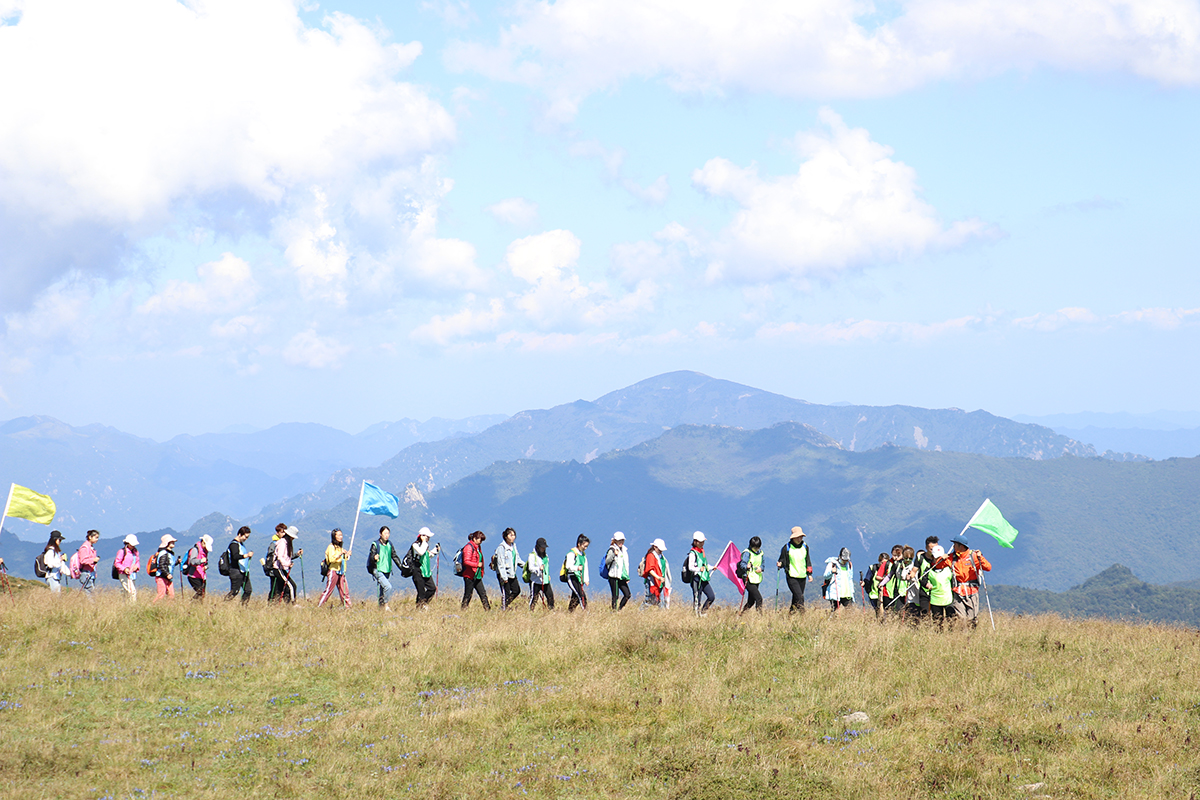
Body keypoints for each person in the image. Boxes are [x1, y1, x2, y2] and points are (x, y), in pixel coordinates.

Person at [948, 534, 992, 628]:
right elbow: (938, 565)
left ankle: (971, 637)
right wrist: (941, 558)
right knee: (961, 618)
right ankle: (963, 637)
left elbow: (988, 567)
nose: (953, 546)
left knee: (971, 618)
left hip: (972, 591)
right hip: (957, 591)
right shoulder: (952, 557)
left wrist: (981, 558)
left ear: (961, 546)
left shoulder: (974, 556)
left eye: (955, 544)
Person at [777, 527, 812, 614]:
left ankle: (790, 615)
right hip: (791, 576)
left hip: (802, 576)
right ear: (793, 537)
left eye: (801, 537)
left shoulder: (805, 546)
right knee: (800, 597)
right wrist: (780, 564)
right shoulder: (787, 548)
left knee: (796, 598)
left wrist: (809, 574)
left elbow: (807, 560)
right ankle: (803, 617)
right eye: (797, 537)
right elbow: (782, 559)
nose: (799, 539)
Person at [315, 528, 352, 608]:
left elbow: (343, 559)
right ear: (334, 536)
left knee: (344, 591)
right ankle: (320, 605)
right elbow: (331, 559)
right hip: (333, 570)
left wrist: (347, 555)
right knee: (329, 590)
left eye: (341, 535)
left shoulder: (339, 547)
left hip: (341, 571)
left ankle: (348, 607)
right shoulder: (331, 547)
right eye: (338, 535)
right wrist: (340, 554)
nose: (340, 537)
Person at [367, 525, 401, 610]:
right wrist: (374, 558)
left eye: (388, 533)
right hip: (377, 569)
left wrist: (402, 567)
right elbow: (371, 557)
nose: (386, 535)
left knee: (382, 590)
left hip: (387, 570)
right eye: (385, 533)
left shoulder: (389, 544)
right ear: (380, 534)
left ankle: (381, 609)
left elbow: (394, 556)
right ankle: (386, 606)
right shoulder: (375, 544)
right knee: (388, 587)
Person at [922, 544, 955, 629]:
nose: (938, 559)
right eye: (937, 557)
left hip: (948, 598)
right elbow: (922, 579)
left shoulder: (949, 568)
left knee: (951, 620)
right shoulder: (929, 569)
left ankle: (952, 636)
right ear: (932, 557)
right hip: (935, 599)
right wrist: (926, 584)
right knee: (937, 621)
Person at [494, 527, 524, 610]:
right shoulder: (501, 547)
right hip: (504, 574)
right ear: (506, 536)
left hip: (512, 573)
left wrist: (526, 567)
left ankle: (505, 606)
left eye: (514, 535)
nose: (513, 537)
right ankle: (503, 609)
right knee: (506, 593)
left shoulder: (513, 546)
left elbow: (517, 559)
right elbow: (501, 563)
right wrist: (504, 577)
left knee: (516, 590)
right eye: (511, 535)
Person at [685, 532, 715, 615]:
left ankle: (703, 612)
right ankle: (696, 615)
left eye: (703, 542)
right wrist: (698, 569)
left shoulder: (702, 551)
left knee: (711, 596)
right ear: (695, 542)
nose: (702, 543)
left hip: (704, 578)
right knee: (697, 599)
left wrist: (712, 567)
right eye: (701, 542)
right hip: (696, 579)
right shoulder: (692, 553)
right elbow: (690, 567)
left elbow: (704, 564)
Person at [460, 531, 490, 610]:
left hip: (477, 574)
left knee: (482, 593)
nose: (481, 541)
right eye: (480, 539)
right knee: (468, 594)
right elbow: (466, 561)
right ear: (474, 538)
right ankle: (463, 609)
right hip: (469, 575)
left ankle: (488, 609)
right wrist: (477, 564)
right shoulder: (469, 547)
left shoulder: (477, 547)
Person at [411, 526, 439, 609]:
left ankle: (423, 604)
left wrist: (435, 551)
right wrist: (424, 542)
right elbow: (421, 552)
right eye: (427, 536)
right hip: (417, 570)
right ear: (422, 536)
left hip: (426, 570)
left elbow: (427, 556)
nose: (428, 538)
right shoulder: (415, 545)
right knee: (421, 591)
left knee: (432, 588)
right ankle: (419, 607)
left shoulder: (425, 545)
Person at [913, 536, 940, 622]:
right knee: (925, 613)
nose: (933, 551)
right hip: (924, 589)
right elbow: (914, 571)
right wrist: (910, 576)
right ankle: (926, 629)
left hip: (937, 589)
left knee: (937, 615)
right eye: (931, 549)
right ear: (926, 548)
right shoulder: (920, 558)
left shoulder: (940, 558)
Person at [272, 527, 301, 605]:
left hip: (281, 568)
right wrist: (287, 564)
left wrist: (288, 563)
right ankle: (293, 604)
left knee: (281, 588)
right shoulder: (282, 543)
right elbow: (280, 557)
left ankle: (281, 605)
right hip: (278, 568)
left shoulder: (286, 543)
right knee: (292, 586)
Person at [225, 527, 254, 604]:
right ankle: (224, 603)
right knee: (235, 591)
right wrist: (246, 555)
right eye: (245, 537)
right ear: (240, 534)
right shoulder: (234, 545)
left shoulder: (240, 544)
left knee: (248, 590)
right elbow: (235, 556)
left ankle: (243, 606)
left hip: (243, 570)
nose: (246, 539)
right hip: (235, 571)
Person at [738, 536, 765, 614]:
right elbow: (742, 564)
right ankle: (760, 617)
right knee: (759, 598)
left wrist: (761, 568)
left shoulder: (761, 553)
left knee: (751, 601)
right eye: (755, 548)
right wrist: (746, 566)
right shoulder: (747, 553)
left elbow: (763, 564)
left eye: (758, 547)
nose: (756, 549)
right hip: (748, 578)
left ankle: (741, 615)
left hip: (756, 578)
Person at [604, 531, 631, 611]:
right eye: (619, 540)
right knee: (615, 596)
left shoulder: (624, 550)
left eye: (622, 540)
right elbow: (607, 561)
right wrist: (614, 555)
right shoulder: (612, 549)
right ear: (615, 540)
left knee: (627, 594)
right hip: (614, 576)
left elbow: (626, 564)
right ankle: (614, 611)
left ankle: (619, 609)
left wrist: (627, 576)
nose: (621, 542)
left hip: (622, 576)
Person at [527, 537, 554, 610]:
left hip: (545, 581)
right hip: (535, 581)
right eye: (542, 547)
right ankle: (530, 611)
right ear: (538, 547)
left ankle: (552, 611)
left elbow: (546, 566)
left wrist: (548, 575)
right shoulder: (532, 556)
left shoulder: (546, 556)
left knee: (550, 596)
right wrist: (538, 569)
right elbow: (531, 568)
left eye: (544, 547)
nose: (543, 549)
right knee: (534, 598)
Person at [183, 535, 213, 600]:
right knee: (199, 592)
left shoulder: (205, 551)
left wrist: (206, 567)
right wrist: (201, 561)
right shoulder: (195, 550)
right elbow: (192, 561)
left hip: (201, 575)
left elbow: (206, 563)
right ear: (203, 542)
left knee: (202, 593)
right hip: (193, 575)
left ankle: (196, 605)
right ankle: (192, 603)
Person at [564, 534, 589, 612]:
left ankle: (569, 612)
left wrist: (586, 579)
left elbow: (585, 567)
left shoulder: (583, 554)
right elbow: (568, 566)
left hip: (579, 577)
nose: (585, 548)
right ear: (579, 544)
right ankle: (586, 612)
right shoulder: (571, 553)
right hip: (572, 576)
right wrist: (577, 568)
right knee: (581, 596)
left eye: (586, 546)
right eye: (584, 546)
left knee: (575, 597)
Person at [641, 539, 668, 607]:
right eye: (660, 549)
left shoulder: (661, 556)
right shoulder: (650, 555)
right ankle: (640, 613)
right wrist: (658, 577)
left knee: (658, 601)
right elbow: (650, 569)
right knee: (649, 600)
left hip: (659, 582)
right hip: (652, 581)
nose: (661, 551)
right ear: (655, 547)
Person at [152, 534, 179, 602]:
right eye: (171, 542)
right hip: (162, 577)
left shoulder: (169, 553)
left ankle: (168, 608)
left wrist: (177, 562)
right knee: (161, 594)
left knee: (171, 594)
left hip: (167, 576)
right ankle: (153, 605)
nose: (173, 543)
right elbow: (161, 565)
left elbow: (169, 565)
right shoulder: (164, 553)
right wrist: (167, 574)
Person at [114, 534, 140, 602]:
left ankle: (126, 605)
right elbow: (117, 563)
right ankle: (133, 606)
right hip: (124, 574)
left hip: (132, 574)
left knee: (128, 592)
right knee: (132, 591)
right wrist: (124, 569)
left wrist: (136, 567)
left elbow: (137, 561)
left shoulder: (135, 551)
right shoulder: (122, 551)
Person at [265, 523, 287, 601]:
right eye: (282, 532)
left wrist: (296, 555)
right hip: (274, 569)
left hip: (280, 568)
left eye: (285, 532)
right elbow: (271, 557)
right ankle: (271, 604)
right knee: (275, 589)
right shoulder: (274, 544)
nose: (284, 533)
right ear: (277, 533)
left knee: (280, 588)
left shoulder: (283, 543)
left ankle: (275, 605)